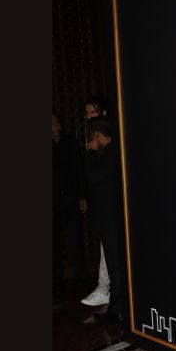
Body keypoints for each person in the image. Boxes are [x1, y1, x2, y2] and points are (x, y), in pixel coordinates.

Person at [83, 115, 126, 327]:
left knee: (115, 267)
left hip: (111, 221)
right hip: (111, 220)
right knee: (114, 265)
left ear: (99, 136)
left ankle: (118, 310)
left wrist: (90, 152)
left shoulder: (110, 154)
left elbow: (92, 176)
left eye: (93, 137)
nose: (91, 142)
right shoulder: (112, 152)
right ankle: (118, 308)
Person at [53, 111, 88, 304]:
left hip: (71, 198)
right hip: (52, 202)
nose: (57, 126)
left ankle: (80, 278)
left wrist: (82, 195)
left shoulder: (70, 143)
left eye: (57, 122)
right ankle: (56, 283)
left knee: (75, 239)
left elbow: (79, 170)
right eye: (52, 123)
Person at [80, 98, 111, 307]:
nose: (90, 117)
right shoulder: (94, 140)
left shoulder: (108, 142)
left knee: (110, 250)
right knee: (106, 248)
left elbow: (95, 174)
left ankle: (105, 288)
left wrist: (91, 152)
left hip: (112, 206)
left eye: (94, 112)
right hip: (103, 207)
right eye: (87, 113)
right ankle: (105, 288)